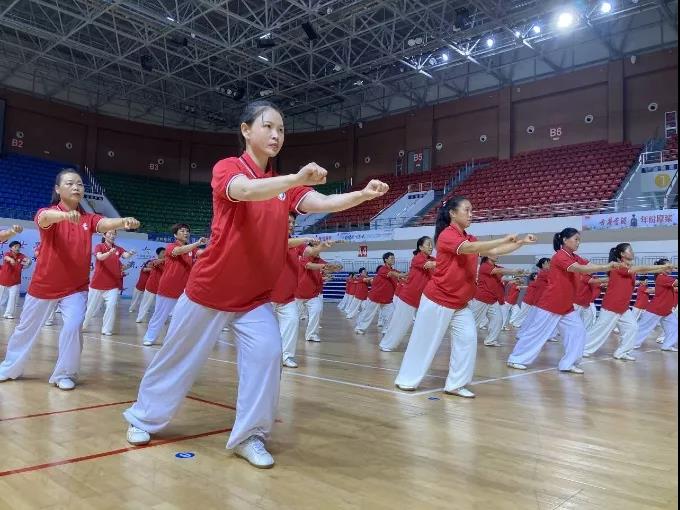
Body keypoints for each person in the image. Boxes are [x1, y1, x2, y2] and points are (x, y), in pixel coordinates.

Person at [122, 100, 389, 469]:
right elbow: (245, 191)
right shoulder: (229, 169)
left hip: (253, 296)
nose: (276, 135)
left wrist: (361, 195)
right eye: (268, 127)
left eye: (281, 129)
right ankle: (143, 418)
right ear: (246, 130)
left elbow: (322, 200)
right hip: (210, 289)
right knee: (177, 358)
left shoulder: (286, 187)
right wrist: (295, 178)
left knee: (267, 357)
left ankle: (250, 436)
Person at [0, 169, 139, 390]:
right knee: (25, 329)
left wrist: (123, 221)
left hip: (75, 287)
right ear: (58, 189)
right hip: (44, 284)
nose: (76, 187)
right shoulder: (47, 213)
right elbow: (44, 218)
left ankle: (65, 373)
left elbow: (103, 224)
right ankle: (10, 368)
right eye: (70, 183)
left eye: (80, 184)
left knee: (74, 327)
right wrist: (65, 216)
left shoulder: (88, 218)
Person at [394, 197, 536, 398]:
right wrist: (504, 238)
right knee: (423, 343)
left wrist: (520, 243)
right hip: (437, 300)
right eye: (467, 210)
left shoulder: (469, 238)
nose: (471, 214)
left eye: (472, 210)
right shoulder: (447, 236)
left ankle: (456, 384)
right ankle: (406, 380)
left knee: (468, 340)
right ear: (452, 213)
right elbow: (471, 249)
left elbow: (492, 251)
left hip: (460, 304)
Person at [507, 228, 621, 373]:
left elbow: (588, 266)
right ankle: (516, 359)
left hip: (566, 305)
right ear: (565, 240)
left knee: (578, 332)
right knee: (537, 333)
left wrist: (608, 267)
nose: (578, 242)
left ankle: (569, 363)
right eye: (576, 239)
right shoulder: (560, 257)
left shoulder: (573, 256)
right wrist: (606, 266)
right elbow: (579, 269)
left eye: (579, 240)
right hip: (551, 303)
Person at [583, 244, 674, 360]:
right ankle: (582, 349)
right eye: (629, 250)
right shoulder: (618, 266)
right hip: (611, 306)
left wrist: (662, 268)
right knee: (600, 331)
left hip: (623, 307)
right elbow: (641, 269)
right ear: (622, 254)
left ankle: (621, 352)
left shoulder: (628, 267)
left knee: (632, 327)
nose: (632, 252)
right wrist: (661, 267)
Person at [142, 225, 206, 346]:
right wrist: (197, 243)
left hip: (185, 291)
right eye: (182, 231)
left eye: (187, 231)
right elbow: (179, 251)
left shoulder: (192, 250)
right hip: (168, 288)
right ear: (175, 235)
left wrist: (216, 243)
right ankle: (150, 337)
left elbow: (203, 253)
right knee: (160, 316)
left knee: (181, 318)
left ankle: (172, 341)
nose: (186, 233)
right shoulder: (171, 246)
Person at [379, 237, 435, 352]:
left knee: (424, 321)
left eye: (431, 244)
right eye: (428, 244)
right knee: (400, 323)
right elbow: (431, 264)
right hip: (408, 297)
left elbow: (439, 265)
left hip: (421, 298)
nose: (431, 246)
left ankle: (421, 345)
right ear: (420, 247)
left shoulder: (431, 259)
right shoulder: (418, 258)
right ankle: (386, 344)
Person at [82, 231, 135, 336]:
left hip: (112, 285)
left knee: (111, 306)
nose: (112, 235)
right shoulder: (99, 246)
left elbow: (125, 255)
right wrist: (109, 253)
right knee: (90, 308)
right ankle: (83, 325)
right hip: (97, 284)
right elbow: (99, 257)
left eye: (114, 234)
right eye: (110, 233)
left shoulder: (118, 248)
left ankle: (106, 329)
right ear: (104, 235)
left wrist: (130, 253)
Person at [468, 256, 525, 347]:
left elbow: (502, 277)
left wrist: (516, 278)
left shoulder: (496, 267)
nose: (497, 256)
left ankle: (490, 340)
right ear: (488, 256)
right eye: (495, 254)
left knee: (498, 320)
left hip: (493, 299)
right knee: (473, 321)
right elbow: (499, 271)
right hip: (481, 298)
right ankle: (464, 339)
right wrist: (515, 271)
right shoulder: (484, 266)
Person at [294, 241, 342, 343]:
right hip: (297, 294)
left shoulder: (319, 260)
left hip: (313, 295)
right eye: (316, 247)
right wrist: (324, 267)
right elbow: (309, 266)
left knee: (316, 311)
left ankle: (311, 334)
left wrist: (335, 268)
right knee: (293, 317)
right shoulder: (303, 257)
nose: (318, 250)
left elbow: (327, 269)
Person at [354, 252, 406, 335]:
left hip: (387, 298)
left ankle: (386, 330)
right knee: (368, 314)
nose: (393, 259)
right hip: (376, 296)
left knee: (391, 314)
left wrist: (411, 274)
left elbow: (401, 275)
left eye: (394, 258)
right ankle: (359, 328)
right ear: (385, 260)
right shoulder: (382, 269)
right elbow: (392, 274)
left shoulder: (394, 270)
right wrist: (400, 275)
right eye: (391, 258)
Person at [634, 258, 678, 352]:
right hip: (656, 309)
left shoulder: (664, 278)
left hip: (666, 310)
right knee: (644, 327)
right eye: (668, 266)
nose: (670, 268)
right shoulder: (662, 277)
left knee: (674, 326)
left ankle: (667, 345)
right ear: (661, 268)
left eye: (670, 266)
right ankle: (631, 344)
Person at [0, 241, 32, 319]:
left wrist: (29, 262)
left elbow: (27, 261)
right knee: (1, 298)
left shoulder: (21, 256)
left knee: (13, 298)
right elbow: (6, 258)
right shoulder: (7, 254)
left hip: (15, 281)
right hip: (4, 280)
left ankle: (8, 314)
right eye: (15, 246)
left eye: (18, 247)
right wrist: (11, 260)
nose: (17, 248)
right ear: (11, 248)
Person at [135, 247, 166, 323]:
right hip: (151, 287)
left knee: (161, 306)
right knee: (145, 303)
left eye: (165, 252)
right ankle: (140, 318)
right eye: (163, 253)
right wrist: (166, 259)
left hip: (162, 289)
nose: (165, 254)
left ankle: (161, 320)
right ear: (158, 254)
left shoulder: (167, 264)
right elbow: (154, 263)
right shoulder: (154, 261)